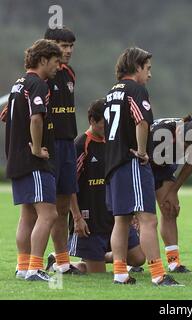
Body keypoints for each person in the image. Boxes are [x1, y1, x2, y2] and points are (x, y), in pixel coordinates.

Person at [104, 47, 181, 285]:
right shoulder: (136, 90)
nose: (149, 74)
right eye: (147, 69)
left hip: (113, 162)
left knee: (122, 220)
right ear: (136, 67)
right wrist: (141, 151)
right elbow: (142, 122)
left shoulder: (111, 92)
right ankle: (158, 275)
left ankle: (119, 273)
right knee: (149, 219)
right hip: (131, 161)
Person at [46, 99, 146, 273]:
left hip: (114, 218)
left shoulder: (113, 144)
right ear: (92, 121)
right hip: (90, 221)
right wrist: (77, 217)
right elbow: (69, 185)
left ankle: (111, 258)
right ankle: (58, 262)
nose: (107, 129)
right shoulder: (80, 145)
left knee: (139, 258)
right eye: (103, 125)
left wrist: (132, 213)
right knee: (97, 273)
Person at [5, 39, 62, 281]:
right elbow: (36, 118)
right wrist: (37, 149)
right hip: (33, 162)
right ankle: (35, 269)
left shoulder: (18, 85)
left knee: (28, 215)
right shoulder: (38, 84)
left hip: (15, 160)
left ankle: (22, 266)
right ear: (42, 60)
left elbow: (6, 116)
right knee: (49, 214)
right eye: (56, 62)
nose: (59, 67)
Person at [44, 27, 82, 274]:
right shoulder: (41, 76)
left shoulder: (69, 74)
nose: (67, 50)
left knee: (62, 207)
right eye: (61, 45)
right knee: (39, 210)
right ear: (48, 45)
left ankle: (61, 262)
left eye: (70, 45)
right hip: (50, 147)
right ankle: (26, 264)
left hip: (68, 144)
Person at [150, 117, 192, 273]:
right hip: (142, 164)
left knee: (170, 209)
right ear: (179, 133)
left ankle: (174, 262)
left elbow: (191, 163)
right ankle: (132, 260)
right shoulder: (159, 134)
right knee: (141, 215)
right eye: (186, 145)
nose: (188, 150)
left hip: (162, 167)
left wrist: (173, 191)